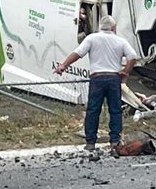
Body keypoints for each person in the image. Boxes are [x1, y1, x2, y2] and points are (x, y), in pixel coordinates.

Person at [54, 15, 138, 152]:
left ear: (100, 27)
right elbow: (132, 56)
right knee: (115, 110)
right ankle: (115, 140)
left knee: (93, 110)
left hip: (97, 78)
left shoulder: (92, 38)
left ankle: (90, 142)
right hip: (113, 78)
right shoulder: (120, 41)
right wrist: (125, 72)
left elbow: (78, 53)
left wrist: (64, 65)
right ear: (113, 28)